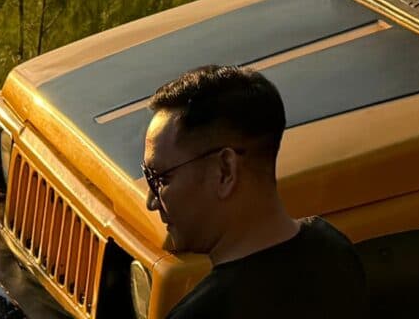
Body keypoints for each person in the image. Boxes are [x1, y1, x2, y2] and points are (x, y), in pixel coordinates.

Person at [142, 65, 367, 318]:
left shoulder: (202, 314)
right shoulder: (334, 251)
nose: (151, 201)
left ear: (225, 171)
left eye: (160, 178)